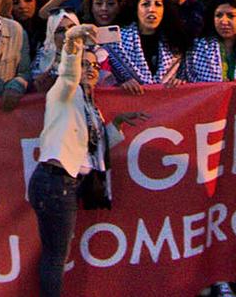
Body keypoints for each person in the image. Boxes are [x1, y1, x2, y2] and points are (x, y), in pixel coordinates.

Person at [28, 24, 147, 297]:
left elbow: (93, 150)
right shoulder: (63, 91)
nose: (90, 69)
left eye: (95, 65)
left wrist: (115, 124)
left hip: (67, 185)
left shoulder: (90, 104)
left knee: (57, 255)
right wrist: (72, 41)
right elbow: (69, 73)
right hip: (55, 183)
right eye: (84, 64)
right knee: (55, 258)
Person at [110, 0, 186, 91]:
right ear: (136, 8)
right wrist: (121, 85)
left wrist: (180, 82)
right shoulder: (117, 43)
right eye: (145, 4)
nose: (151, 9)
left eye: (158, 5)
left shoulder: (175, 44)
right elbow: (105, 80)